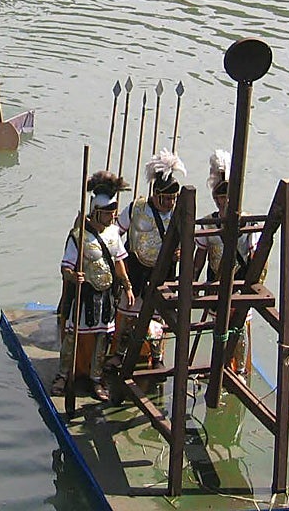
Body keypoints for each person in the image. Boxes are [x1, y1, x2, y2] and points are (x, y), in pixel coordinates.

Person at [52, 171, 133, 401]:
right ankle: (62, 375)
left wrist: (126, 286)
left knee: (102, 337)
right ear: (97, 212)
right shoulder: (78, 237)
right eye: (108, 213)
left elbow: (118, 263)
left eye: (113, 212)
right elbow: (65, 266)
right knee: (72, 335)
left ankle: (96, 378)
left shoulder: (114, 234)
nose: (112, 216)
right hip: (85, 294)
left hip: (106, 295)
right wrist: (72, 276)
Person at [111, 150, 184, 368]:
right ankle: (119, 354)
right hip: (135, 267)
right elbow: (116, 233)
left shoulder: (179, 214)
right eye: (166, 198)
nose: (170, 202)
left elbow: (187, 242)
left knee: (158, 318)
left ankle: (157, 357)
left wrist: (179, 252)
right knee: (127, 313)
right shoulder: (136, 208)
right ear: (156, 194)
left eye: (173, 198)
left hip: (162, 272)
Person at [192, 149, 258, 379]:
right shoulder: (210, 224)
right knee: (218, 328)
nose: (222, 202)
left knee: (238, 328)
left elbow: (258, 259)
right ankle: (217, 368)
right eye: (219, 198)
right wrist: (191, 281)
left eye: (226, 198)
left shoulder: (248, 224)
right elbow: (200, 256)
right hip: (216, 283)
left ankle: (239, 371)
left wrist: (252, 285)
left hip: (239, 285)